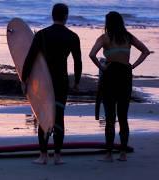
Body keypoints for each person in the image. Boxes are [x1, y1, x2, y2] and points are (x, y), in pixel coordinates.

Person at [22, 3, 82, 165]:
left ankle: (43, 156)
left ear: (52, 15)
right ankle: (57, 156)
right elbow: (78, 62)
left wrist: (24, 79)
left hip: (44, 82)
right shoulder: (73, 36)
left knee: (43, 117)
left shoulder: (41, 35)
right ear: (66, 16)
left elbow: (30, 58)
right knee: (59, 117)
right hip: (61, 81)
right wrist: (76, 81)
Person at [89, 11, 151, 162]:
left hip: (110, 76)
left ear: (107, 23)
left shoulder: (105, 38)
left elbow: (92, 54)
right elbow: (145, 51)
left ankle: (109, 154)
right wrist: (133, 66)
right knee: (123, 117)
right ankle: (123, 154)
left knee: (110, 117)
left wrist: (102, 67)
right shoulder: (128, 37)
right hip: (125, 76)